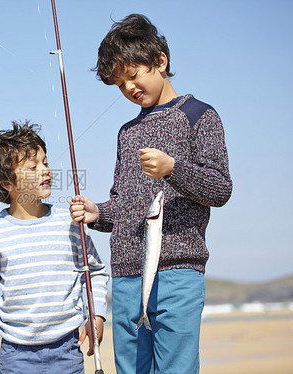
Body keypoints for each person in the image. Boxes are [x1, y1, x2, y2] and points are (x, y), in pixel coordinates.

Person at [69, 14, 232, 374]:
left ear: (161, 61)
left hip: (177, 272)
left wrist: (174, 168)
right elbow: (125, 205)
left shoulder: (199, 116)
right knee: (131, 369)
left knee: (175, 367)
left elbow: (220, 188)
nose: (128, 88)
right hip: (126, 275)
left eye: (133, 74)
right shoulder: (127, 133)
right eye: (119, 83)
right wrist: (99, 213)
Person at [0, 121, 109, 374]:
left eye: (45, 162)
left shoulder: (69, 223)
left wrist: (96, 316)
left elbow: (94, 273)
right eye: (32, 167)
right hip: (15, 355)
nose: (45, 170)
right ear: (6, 182)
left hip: (67, 349)